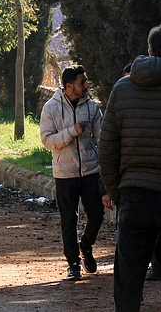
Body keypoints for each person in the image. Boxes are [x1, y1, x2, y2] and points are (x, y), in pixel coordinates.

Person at [100, 24, 161, 312]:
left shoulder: (122, 89)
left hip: (134, 197)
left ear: (150, 51)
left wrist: (118, 192)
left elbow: (107, 149)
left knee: (127, 281)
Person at [39, 65, 105, 281]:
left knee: (97, 214)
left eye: (86, 81)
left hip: (90, 171)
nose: (86, 85)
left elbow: (102, 140)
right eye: (81, 82)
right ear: (69, 86)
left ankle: (86, 245)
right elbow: (47, 140)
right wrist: (71, 132)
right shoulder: (51, 108)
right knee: (68, 220)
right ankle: (73, 263)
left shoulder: (92, 107)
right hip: (64, 173)